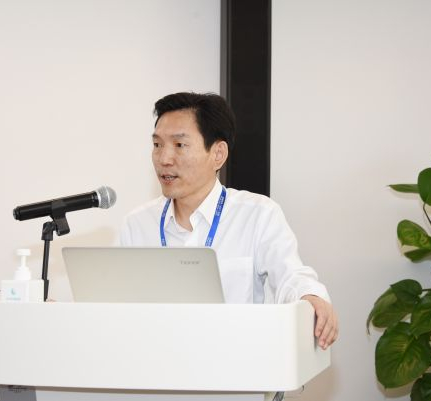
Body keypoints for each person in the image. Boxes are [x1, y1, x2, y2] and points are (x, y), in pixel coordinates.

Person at [120, 92, 338, 350]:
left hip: (235, 365)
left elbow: (292, 275)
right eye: (157, 145)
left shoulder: (257, 215)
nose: (164, 159)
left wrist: (311, 297)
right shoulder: (137, 224)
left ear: (218, 154)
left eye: (179, 145)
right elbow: (113, 302)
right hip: (156, 364)